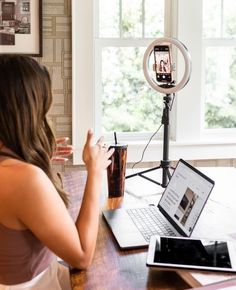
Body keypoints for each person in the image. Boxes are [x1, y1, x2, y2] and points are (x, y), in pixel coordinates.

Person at [0, 55, 114, 289]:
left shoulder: (14, 169)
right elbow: (82, 256)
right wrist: (95, 172)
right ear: (26, 110)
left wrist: (31, 159)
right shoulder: (25, 179)